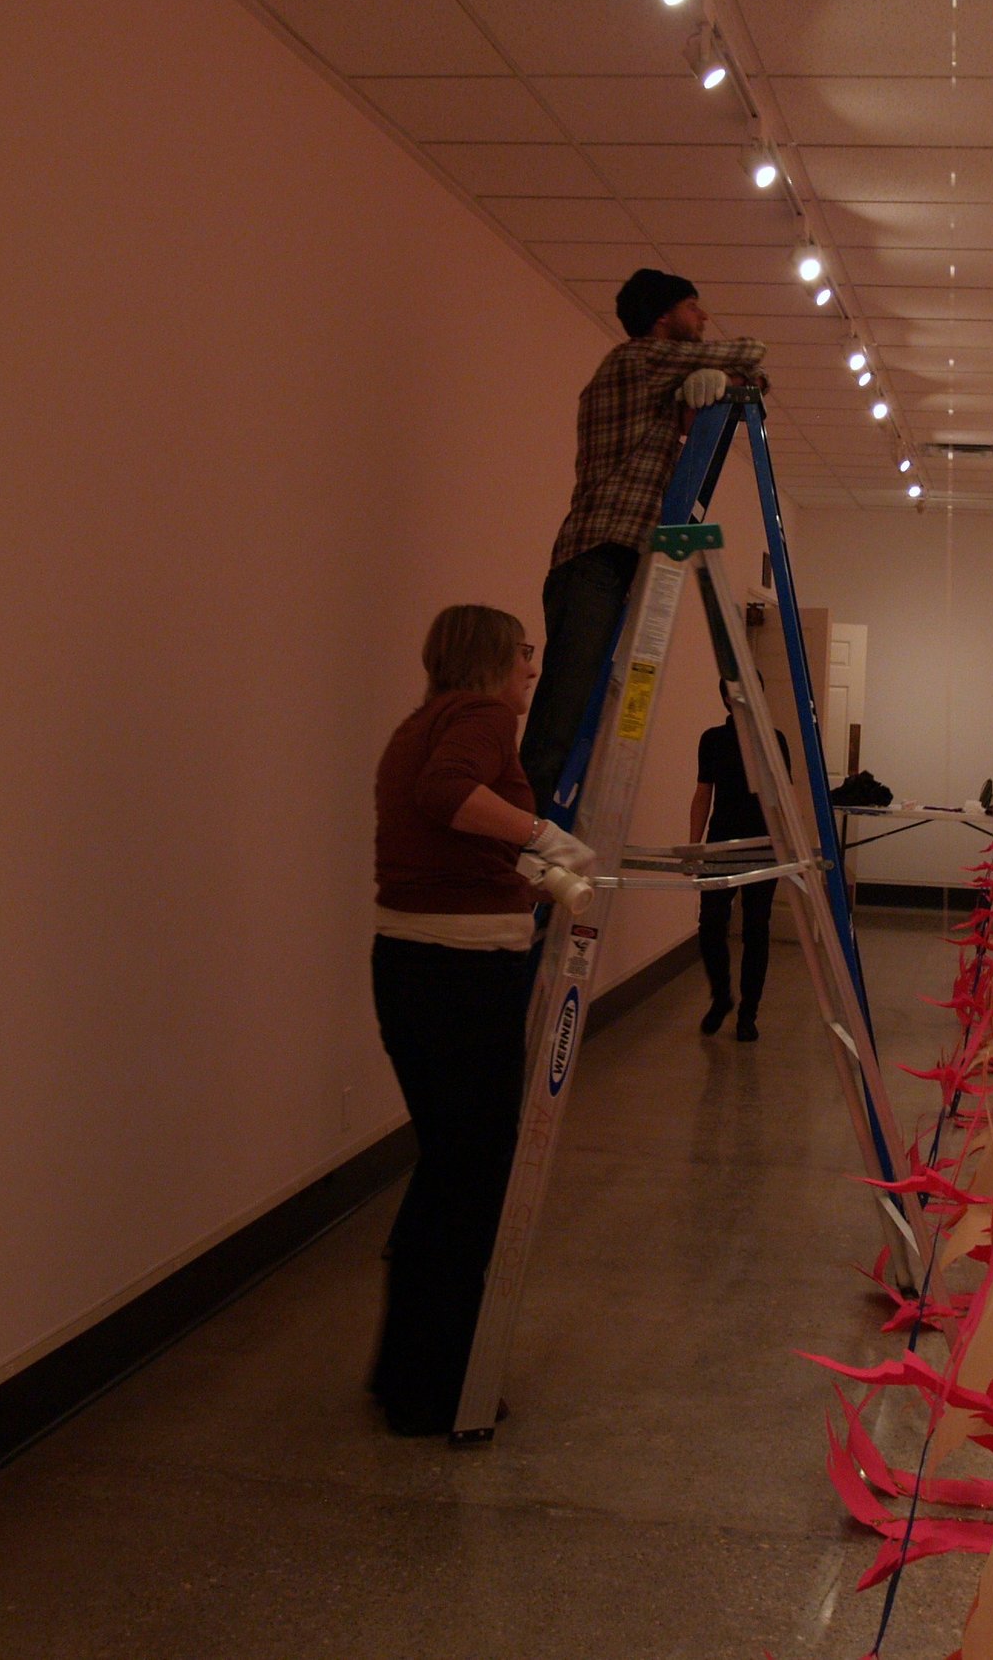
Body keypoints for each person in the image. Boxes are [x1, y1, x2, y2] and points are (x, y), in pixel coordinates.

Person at [367, 604, 591, 1435]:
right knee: (472, 1181)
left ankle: (405, 1369)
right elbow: (449, 795)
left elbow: (440, 845)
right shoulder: (482, 717)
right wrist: (545, 833)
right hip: (459, 980)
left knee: (446, 1168)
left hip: (411, 967)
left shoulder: (417, 724)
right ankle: (437, 1388)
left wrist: (526, 877)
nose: (532, 666)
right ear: (492, 658)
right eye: (523, 652)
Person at [518, 269, 768, 812]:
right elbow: (751, 350)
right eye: (692, 307)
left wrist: (715, 379)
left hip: (616, 563)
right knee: (562, 712)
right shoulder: (634, 360)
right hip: (595, 555)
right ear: (662, 317)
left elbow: (753, 384)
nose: (702, 317)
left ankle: (542, 829)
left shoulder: (657, 383)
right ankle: (522, 835)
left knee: (585, 707)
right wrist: (715, 369)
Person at [688, 681, 790, 1042]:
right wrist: (693, 847)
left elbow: (783, 798)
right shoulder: (712, 739)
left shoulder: (772, 740)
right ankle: (721, 996)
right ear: (727, 699)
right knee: (711, 922)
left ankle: (749, 1013)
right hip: (720, 845)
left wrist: (788, 846)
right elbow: (703, 793)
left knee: (756, 927)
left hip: (763, 844)